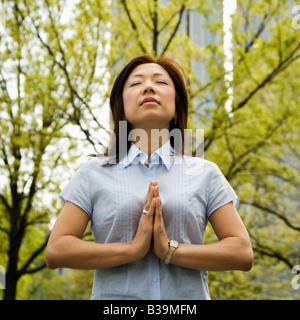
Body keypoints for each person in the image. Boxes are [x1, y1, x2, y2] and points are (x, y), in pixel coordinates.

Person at [45, 54, 253, 300]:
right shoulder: (93, 173)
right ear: (121, 107)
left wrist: (169, 250)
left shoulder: (206, 173)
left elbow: (241, 252)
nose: (148, 87)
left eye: (161, 82)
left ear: (177, 107)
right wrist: (132, 250)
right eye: (135, 84)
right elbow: (57, 250)